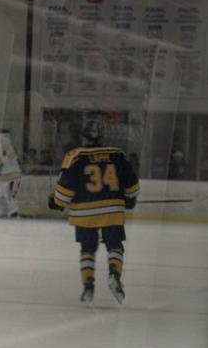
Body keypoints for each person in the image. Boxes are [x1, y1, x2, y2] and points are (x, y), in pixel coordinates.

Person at [48, 119, 140, 304]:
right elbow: (132, 185)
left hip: (84, 213)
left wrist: (56, 202)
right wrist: (130, 198)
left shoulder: (75, 156)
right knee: (115, 245)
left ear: (83, 137)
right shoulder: (117, 155)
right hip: (112, 210)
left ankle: (88, 285)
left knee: (87, 248)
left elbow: (65, 189)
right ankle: (114, 274)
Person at [0, 137, 21, 218]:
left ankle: (12, 210)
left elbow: (10, 159)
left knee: (8, 194)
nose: (1, 144)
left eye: (3, 142)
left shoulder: (10, 150)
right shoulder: (4, 152)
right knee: (2, 194)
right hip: (4, 177)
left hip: (11, 176)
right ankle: (2, 209)